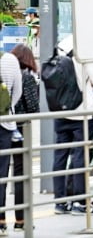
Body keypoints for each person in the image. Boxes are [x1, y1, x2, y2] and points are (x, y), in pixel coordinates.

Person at [51, 35, 93, 216]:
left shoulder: (61, 47)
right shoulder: (86, 50)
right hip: (83, 112)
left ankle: (60, 201)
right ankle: (80, 202)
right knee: (81, 156)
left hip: (61, 111)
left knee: (60, 155)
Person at [3, 45, 38, 232]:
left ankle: (1, 221)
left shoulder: (7, 67)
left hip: (6, 124)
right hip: (21, 128)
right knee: (21, 175)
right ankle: (21, 219)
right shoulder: (27, 77)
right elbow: (33, 106)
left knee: (2, 173)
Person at [0, 49, 22, 234]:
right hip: (4, 124)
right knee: (1, 173)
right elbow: (18, 91)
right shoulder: (10, 60)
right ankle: (0, 221)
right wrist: (7, 110)